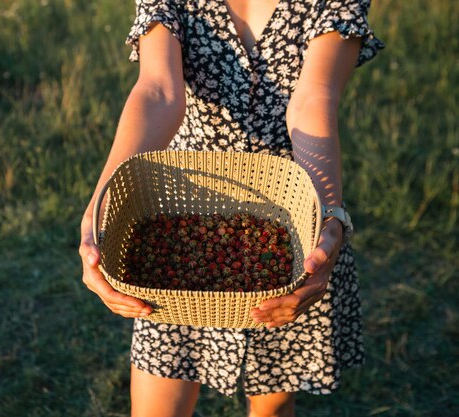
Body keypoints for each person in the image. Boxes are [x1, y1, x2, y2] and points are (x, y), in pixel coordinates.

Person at [79, 0, 384, 415]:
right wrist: (102, 201)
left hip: (288, 234)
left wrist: (328, 214)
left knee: (272, 407)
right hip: (182, 221)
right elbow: (159, 92)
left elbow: (314, 98)